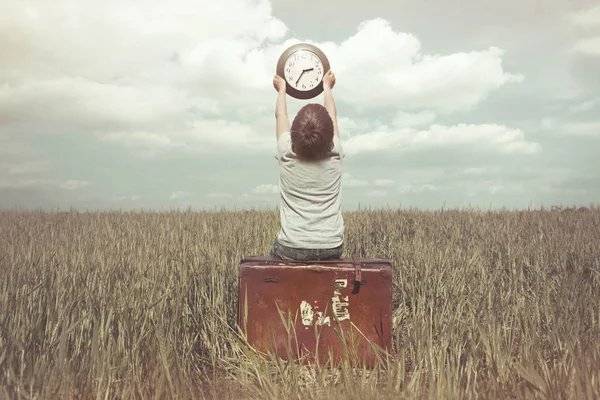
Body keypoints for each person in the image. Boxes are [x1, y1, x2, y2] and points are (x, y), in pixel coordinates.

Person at [267, 69, 345, 260]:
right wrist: (327, 88)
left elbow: (281, 117)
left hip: (291, 246)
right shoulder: (335, 154)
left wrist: (282, 90)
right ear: (330, 138)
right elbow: (332, 117)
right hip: (331, 246)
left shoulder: (286, 153)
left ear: (293, 135)